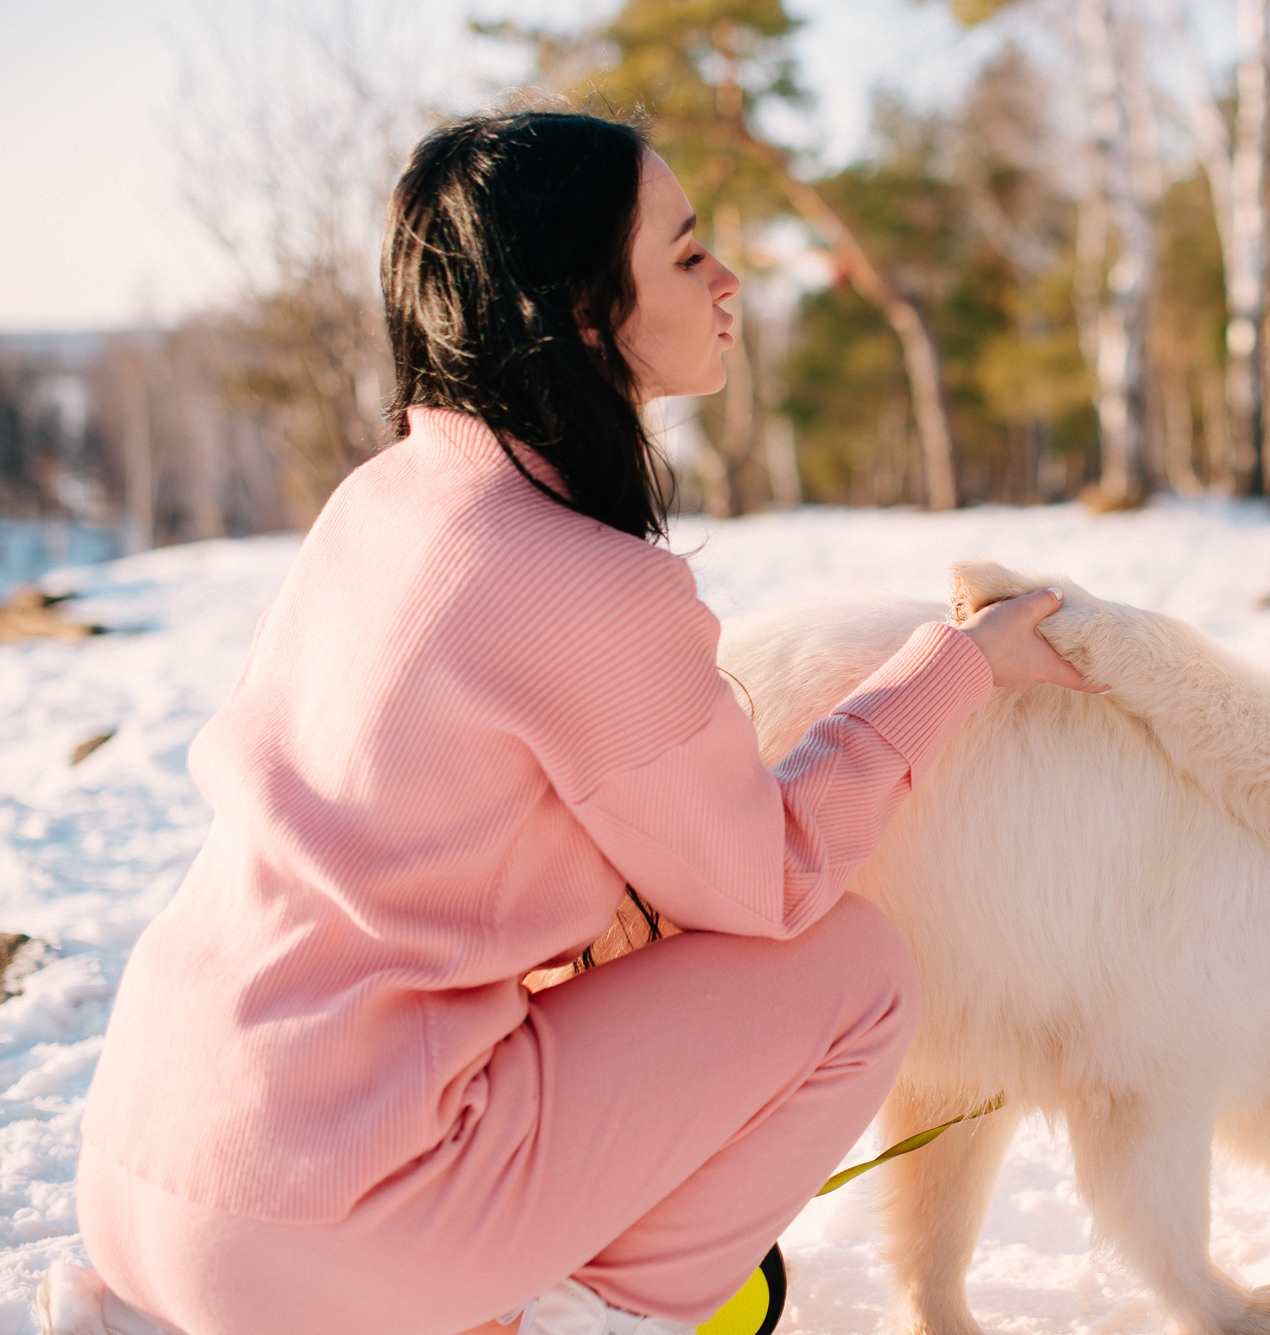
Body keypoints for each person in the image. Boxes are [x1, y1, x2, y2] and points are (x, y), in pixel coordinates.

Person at [57, 110, 1100, 1335]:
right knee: (854, 971)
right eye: (684, 253)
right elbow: (770, 880)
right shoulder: (583, 585)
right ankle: (574, 1316)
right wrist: (953, 671)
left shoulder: (388, 496)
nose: (725, 281)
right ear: (587, 312)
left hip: (144, 1173)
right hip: (314, 1234)